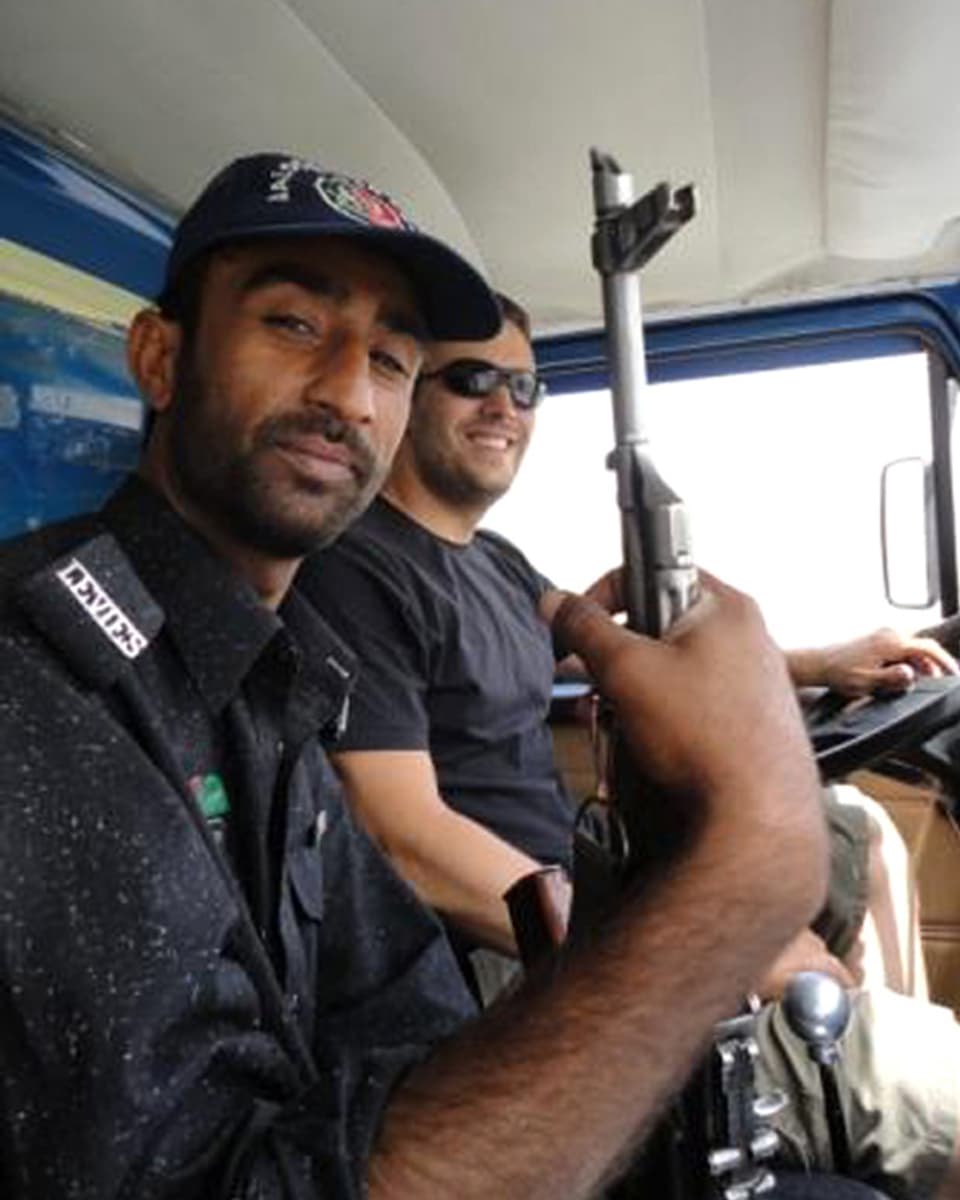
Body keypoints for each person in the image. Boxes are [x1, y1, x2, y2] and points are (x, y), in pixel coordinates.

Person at [0, 152, 840, 1199]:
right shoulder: (40, 689)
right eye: (294, 325)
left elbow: (410, 1028)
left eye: (392, 359)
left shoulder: (273, 677)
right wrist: (748, 874)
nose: (349, 394)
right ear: (160, 359)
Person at [300, 294, 960, 1198]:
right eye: (473, 380)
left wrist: (820, 662)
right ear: (409, 391)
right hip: (509, 952)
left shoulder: (493, 562)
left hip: (586, 876)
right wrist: (706, 938)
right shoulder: (356, 570)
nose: (506, 406)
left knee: (856, 826)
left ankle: (845, 1040)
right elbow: (400, 838)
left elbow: (617, 651)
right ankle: (859, 1067)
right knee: (937, 1086)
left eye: (526, 386)